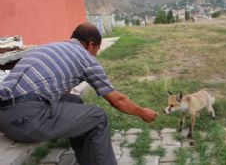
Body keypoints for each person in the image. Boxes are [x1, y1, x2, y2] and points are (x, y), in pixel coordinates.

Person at [0, 23, 157, 165]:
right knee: (98, 117)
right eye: (96, 50)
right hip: (26, 122)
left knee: (74, 101)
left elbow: (54, 87)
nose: (95, 54)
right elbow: (117, 100)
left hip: (4, 117)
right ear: (90, 45)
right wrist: (141, 112)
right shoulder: (85, 58)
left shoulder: (50, 48)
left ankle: (88, 161)